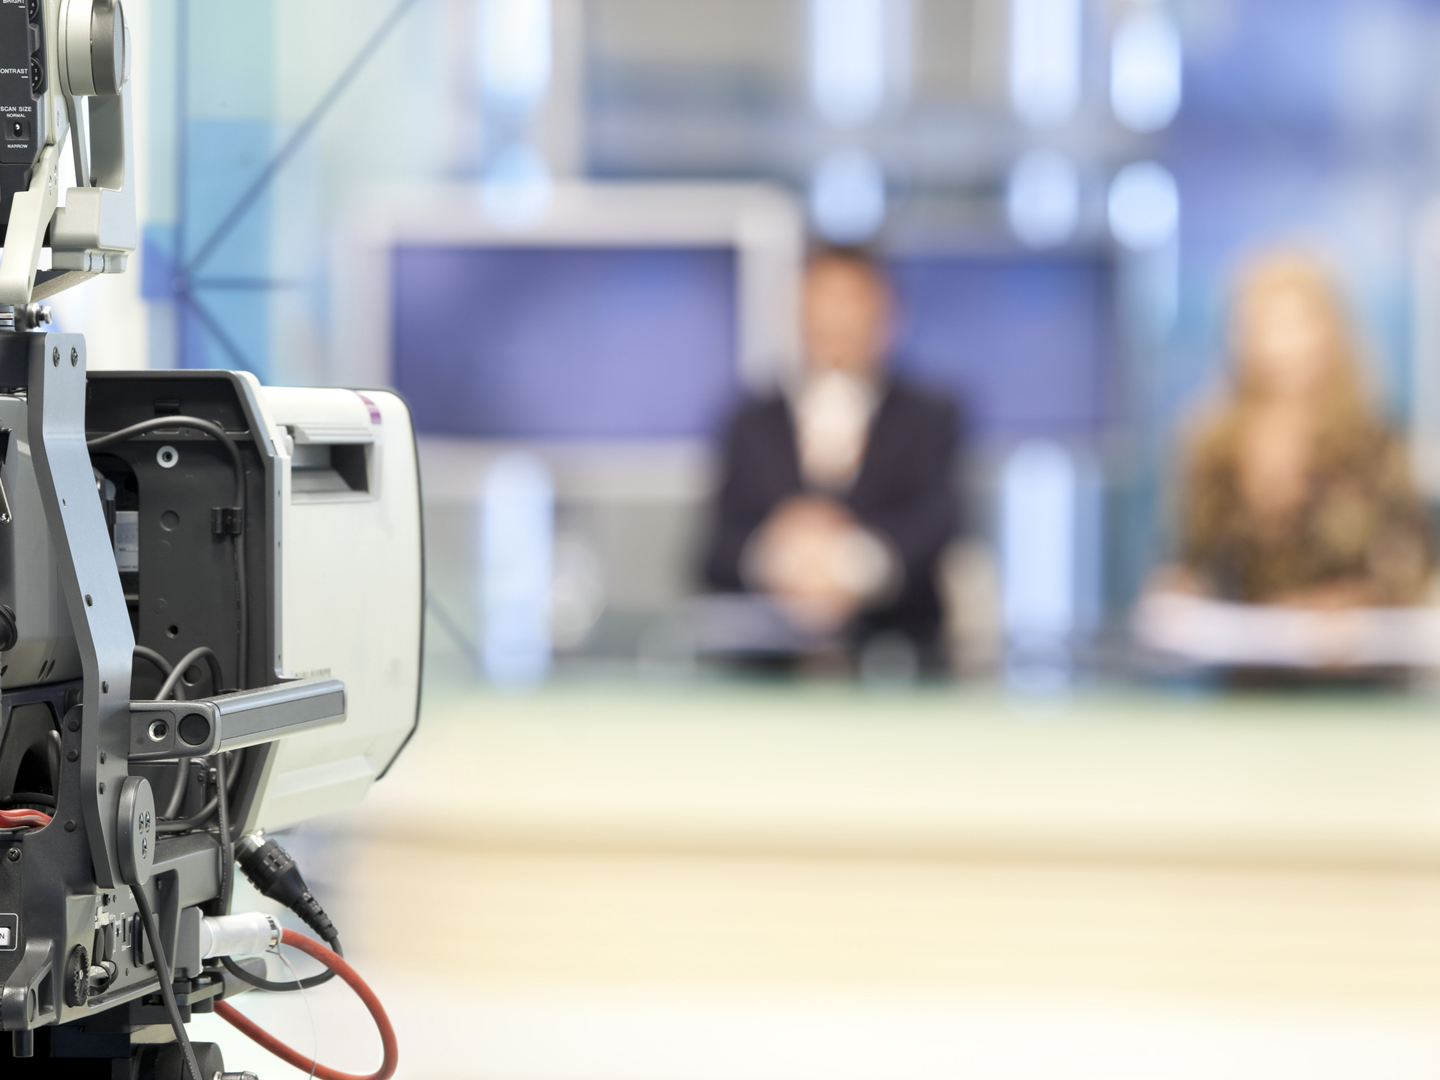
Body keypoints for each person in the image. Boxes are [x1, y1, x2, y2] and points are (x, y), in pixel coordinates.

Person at [703, 246, 960, 671]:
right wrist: (781, 555)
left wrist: (849, 562)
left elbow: (937, 525)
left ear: (887, 313)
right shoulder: (749, 421)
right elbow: (714, 550)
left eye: (851, 300)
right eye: (822, 300)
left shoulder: (930, 417)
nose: (835, 318)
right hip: (766, 668)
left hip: (897, 660)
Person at [1158, 250, 1432, 616]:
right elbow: (1191, 560)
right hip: (1244, 663)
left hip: (1356, 667)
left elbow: (1414, 568)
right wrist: (1178, 591)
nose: (1282, 343)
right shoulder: (1210, 447)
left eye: (1297, 323)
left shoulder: (1377, 444)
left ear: (1331, 331)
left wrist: (1353, 605)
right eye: (1265, 323)